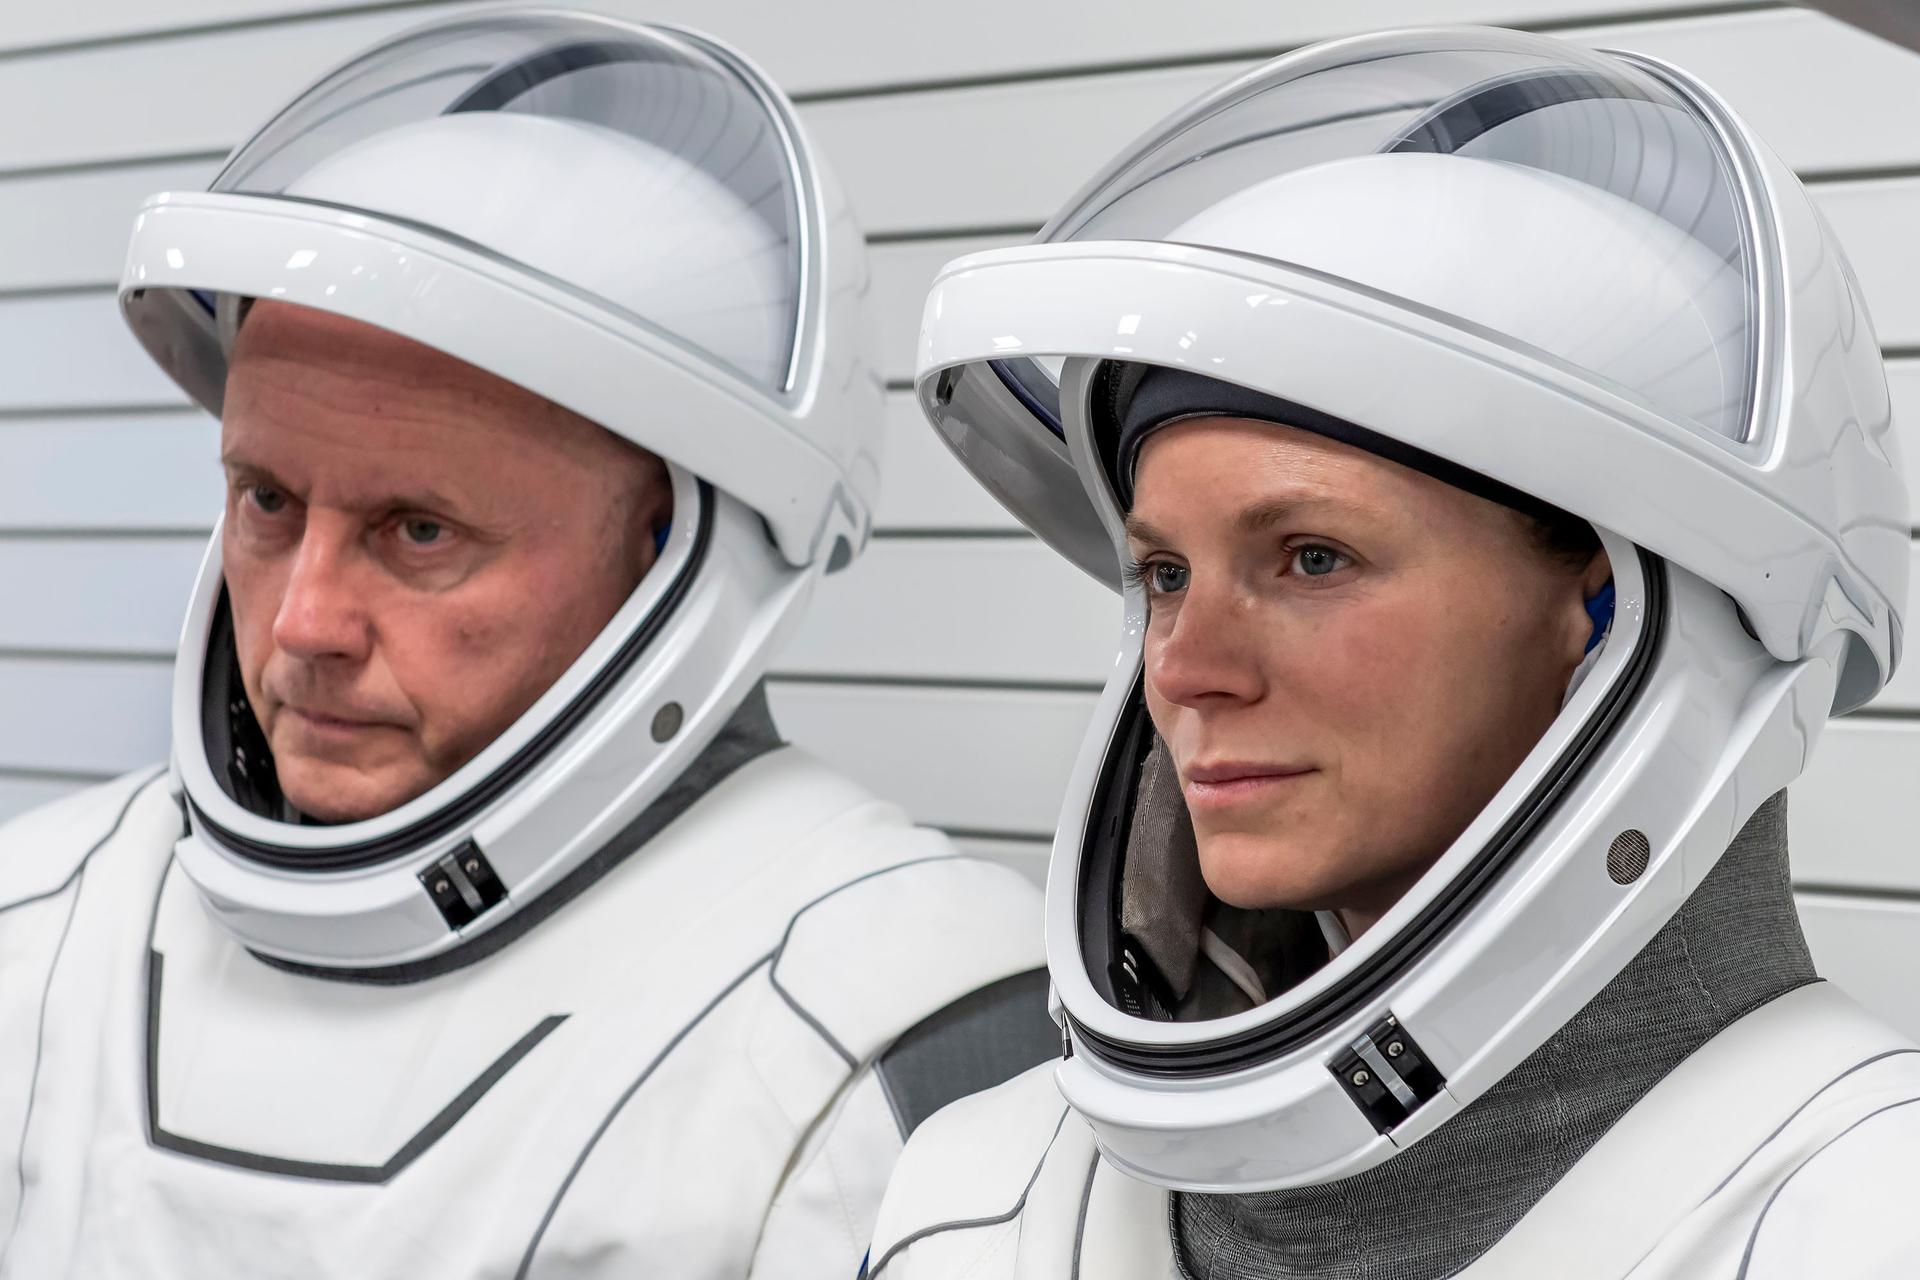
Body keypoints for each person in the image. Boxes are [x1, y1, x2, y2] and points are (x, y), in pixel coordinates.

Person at [0, 13, 1054, 1278]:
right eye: (268, 501)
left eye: (420, 530)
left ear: (670, 554)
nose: (302, 624)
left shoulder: (886, 1017)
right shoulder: (42, 924)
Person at [865, 26, 1918, 1279]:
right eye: (1163, 573)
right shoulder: (971, 1194)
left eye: (1312, 557)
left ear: (1610, 604)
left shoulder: (1866, 1221)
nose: (1187, 668)